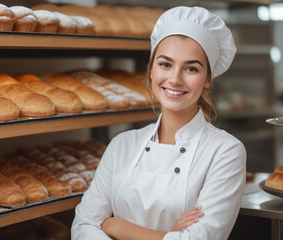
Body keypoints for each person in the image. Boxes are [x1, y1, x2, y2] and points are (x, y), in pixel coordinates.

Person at [72, 6, 246, 240]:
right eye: (165, 64)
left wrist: (118, 227)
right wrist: (169, 235)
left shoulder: (225, 151)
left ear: (207, 80)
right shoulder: (122, 145)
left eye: (191, 68)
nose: (174, 79)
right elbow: (82, 227)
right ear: (152, 70)